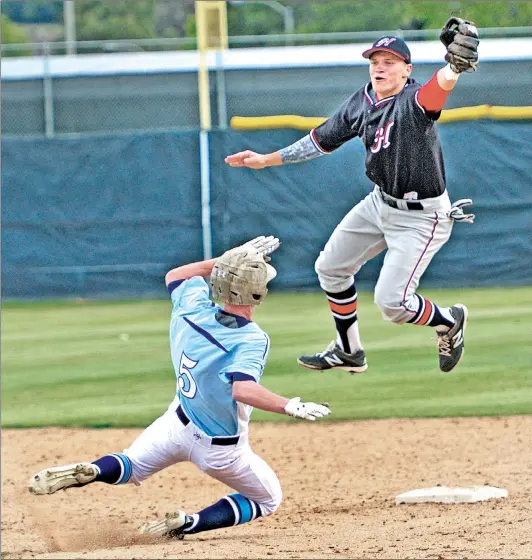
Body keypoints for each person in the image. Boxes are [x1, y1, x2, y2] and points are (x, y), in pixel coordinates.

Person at [28, 236, 331, 539]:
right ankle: (187, 523)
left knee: (130, 466)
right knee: (268, 499)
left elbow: (176, 275)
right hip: (220, 451)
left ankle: (94, 471)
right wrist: (289, 404)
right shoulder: (252, 339)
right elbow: (242, 390)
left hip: (176, 424)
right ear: (259, 294)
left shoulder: (192, 307)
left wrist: (226, 261)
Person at [225, 19, 479, 374]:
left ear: (407, 70)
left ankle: (449, 320)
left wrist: (452, 69)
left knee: (393, 304)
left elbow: (439, 89)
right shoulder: (360, 102)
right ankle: (349, 350)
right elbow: (319, 141)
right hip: (380, 203)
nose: (379, 67)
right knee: (330, 268)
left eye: (389, 61)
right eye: (375, 60)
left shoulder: (414, 101)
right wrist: (267, 159)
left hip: (422, 217)